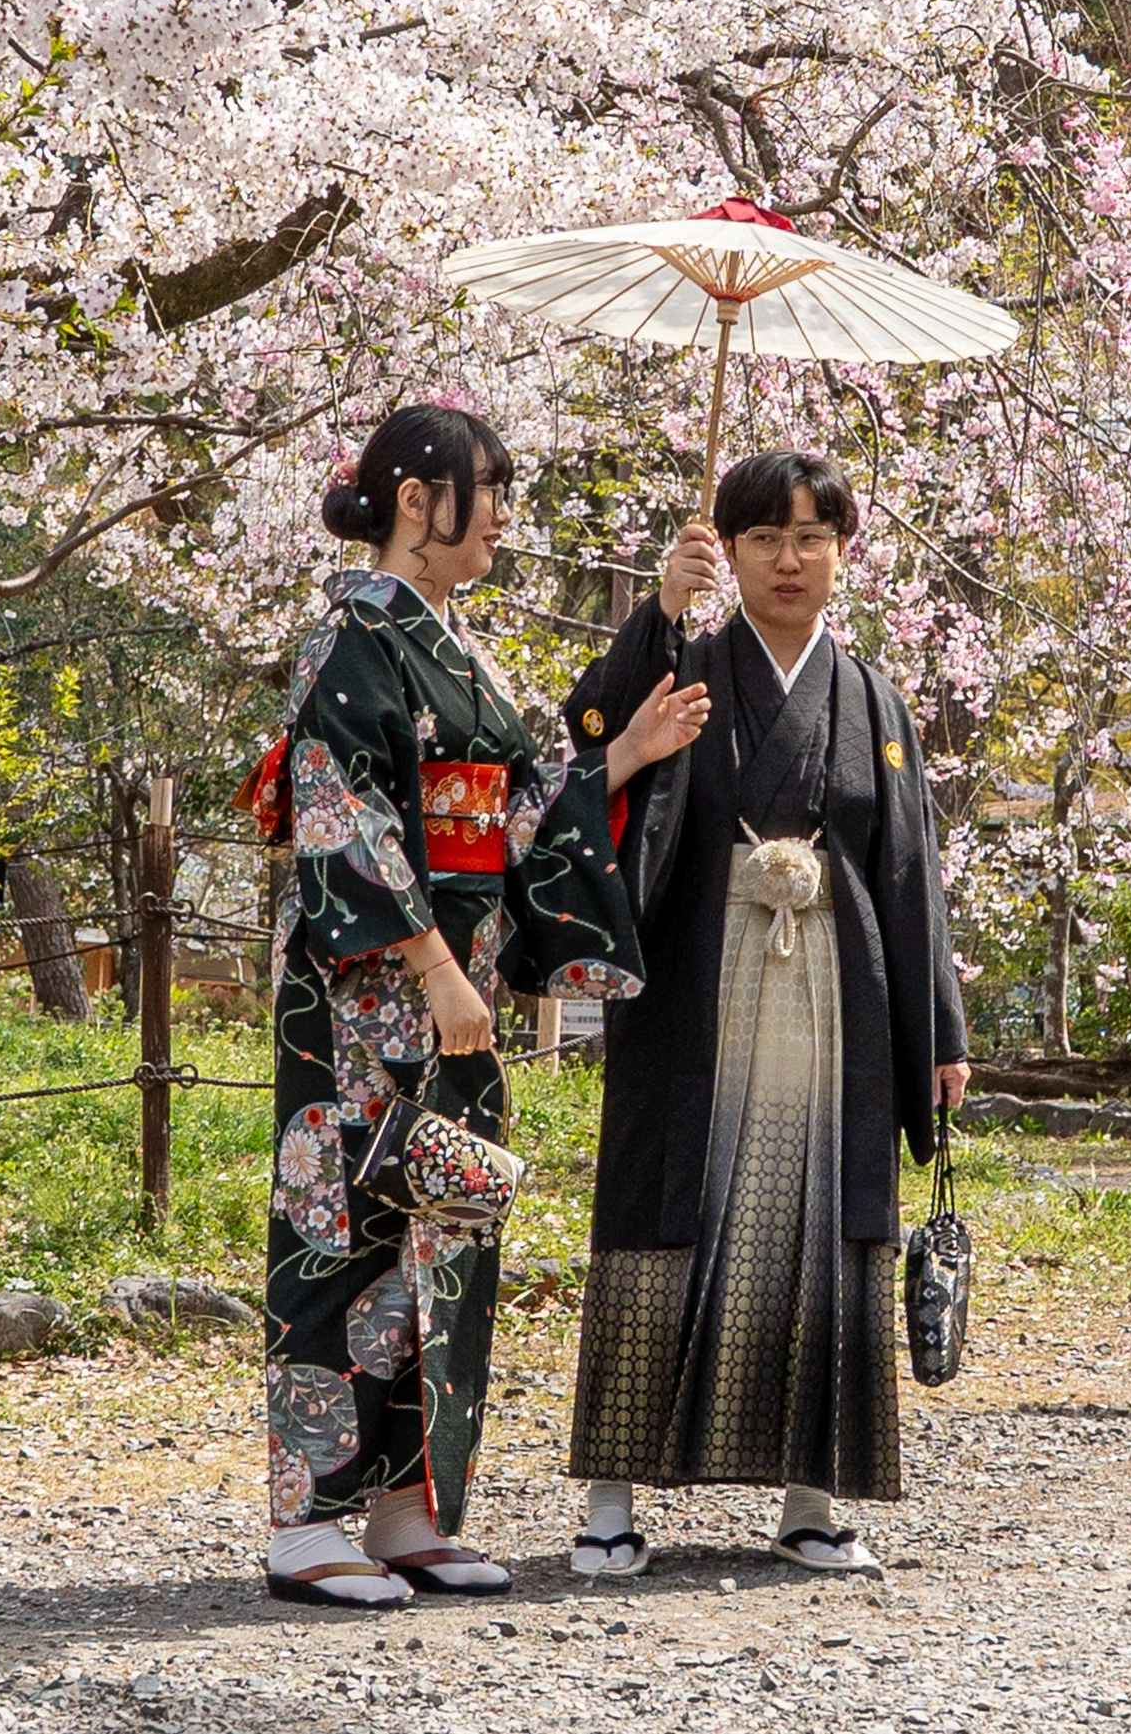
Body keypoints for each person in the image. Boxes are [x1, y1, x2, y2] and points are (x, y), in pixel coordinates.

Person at [261, 402, 711, 1612]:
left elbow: (517, 811)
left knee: (446, 1228)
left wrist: (627, 753)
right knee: (343, 1225)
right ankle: (307, 1519)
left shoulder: (459, 646)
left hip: (451, 985)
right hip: (366, 990)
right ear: (418, 500)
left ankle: (408, 1510)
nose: (504, 514)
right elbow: (341, 815)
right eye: (489, 490)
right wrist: (431, 965)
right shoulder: (350, 636)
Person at [560, 449, 970, 1581]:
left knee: (820, 1231)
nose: (789, 559)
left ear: (842, 551)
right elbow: (591, 734)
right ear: (728, 551)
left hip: (836, 1000)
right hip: (698, 985)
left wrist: (939, 1031)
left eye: (811, 537)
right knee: (661, 1219)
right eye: (763, 538)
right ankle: (611, 1495)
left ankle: (809, 1497)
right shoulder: (687, 670)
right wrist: (660, 610)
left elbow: (910, 872)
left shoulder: (873, 701)